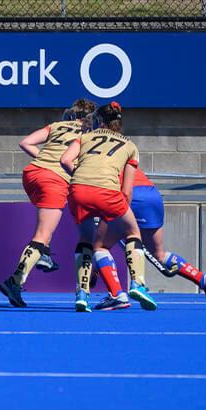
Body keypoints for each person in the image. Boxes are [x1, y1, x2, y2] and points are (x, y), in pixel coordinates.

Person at [0, 98, 95, 308]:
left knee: (45, 229)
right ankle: (15, 280)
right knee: (42, 235)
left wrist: (46, 158)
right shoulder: (89, 134)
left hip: (33, 173)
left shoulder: (56, 125)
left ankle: (44, 253)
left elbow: (25, 142)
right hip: (54, 179)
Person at [60, 102, 144, 312]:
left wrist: (80, 174)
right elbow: (126, 190)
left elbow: (65, 159)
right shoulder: (130, 146)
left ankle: (82, 294)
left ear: (99, 120)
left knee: (86, 239)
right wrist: (120, 213)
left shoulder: (85, 137)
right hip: (108, 193)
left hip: (78, 189)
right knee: (132, 231)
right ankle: (137, 284)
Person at [95, 167, 206, 309]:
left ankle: (117, 294)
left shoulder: (87, 153)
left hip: (124, 194)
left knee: (100, 246)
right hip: (150, 194)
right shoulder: (123, 148)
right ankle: (204, 279)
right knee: (159, 254)